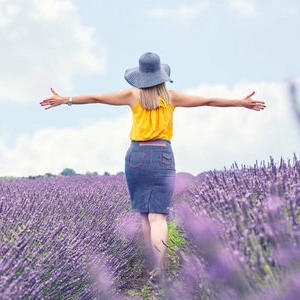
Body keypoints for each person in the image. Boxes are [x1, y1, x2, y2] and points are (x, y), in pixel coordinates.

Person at [40, 52, 266, 284]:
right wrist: (241, 102)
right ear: (161, 76)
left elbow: (96, 98)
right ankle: (159, 267)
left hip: (136, 155)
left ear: (139, 77)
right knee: (159, 217)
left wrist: (65, 99)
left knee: (145, 217)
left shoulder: (131, 95)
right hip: (162, 156)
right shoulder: (172, 97)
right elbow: (208, 101)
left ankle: (152, 267)